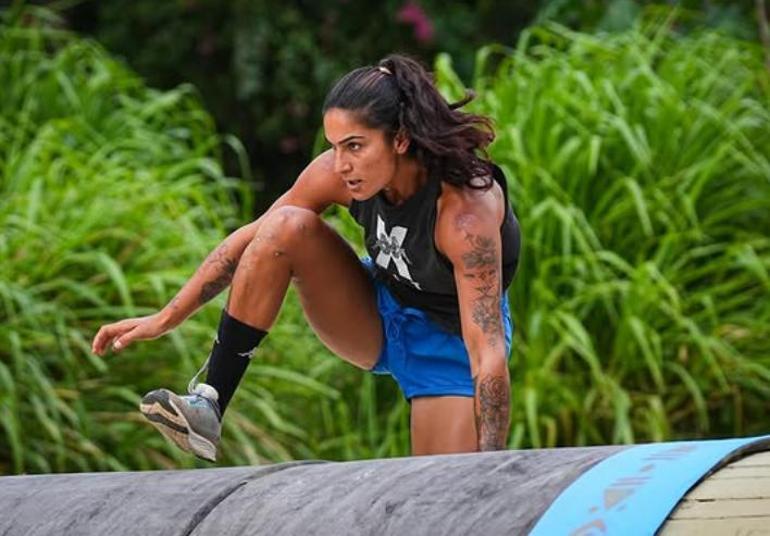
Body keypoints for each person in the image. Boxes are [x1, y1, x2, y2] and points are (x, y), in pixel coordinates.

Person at [91, 54, 521, 462]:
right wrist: (166, 318)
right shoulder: (338, 173)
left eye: (355, 146)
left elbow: (487, 353)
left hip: (449, 343)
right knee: (285, 225)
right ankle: (210, 405)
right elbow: (252, 239)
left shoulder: (465, 214)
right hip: (376, 310)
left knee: (443, 490)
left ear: (401, 139)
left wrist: (493, 464)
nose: (342, 164)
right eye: (335, 147)